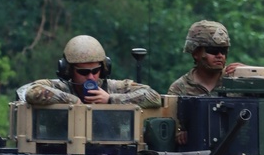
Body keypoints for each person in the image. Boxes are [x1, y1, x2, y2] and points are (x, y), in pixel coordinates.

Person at [19, 34, 161, 108]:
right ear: (69, 71)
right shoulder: (63, 88)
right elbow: (32, 91)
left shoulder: (114, 88)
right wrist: (73, 102)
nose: (91, 77)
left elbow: (153, 97)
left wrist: (110, 99)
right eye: (83, 72)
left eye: (96, 70)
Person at [167, 20, 238, 96]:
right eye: (213, 50)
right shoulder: (180, 89)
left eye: (223, 50)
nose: (220, 55)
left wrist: (250, 74)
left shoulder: (237, 81)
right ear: (196, 53)